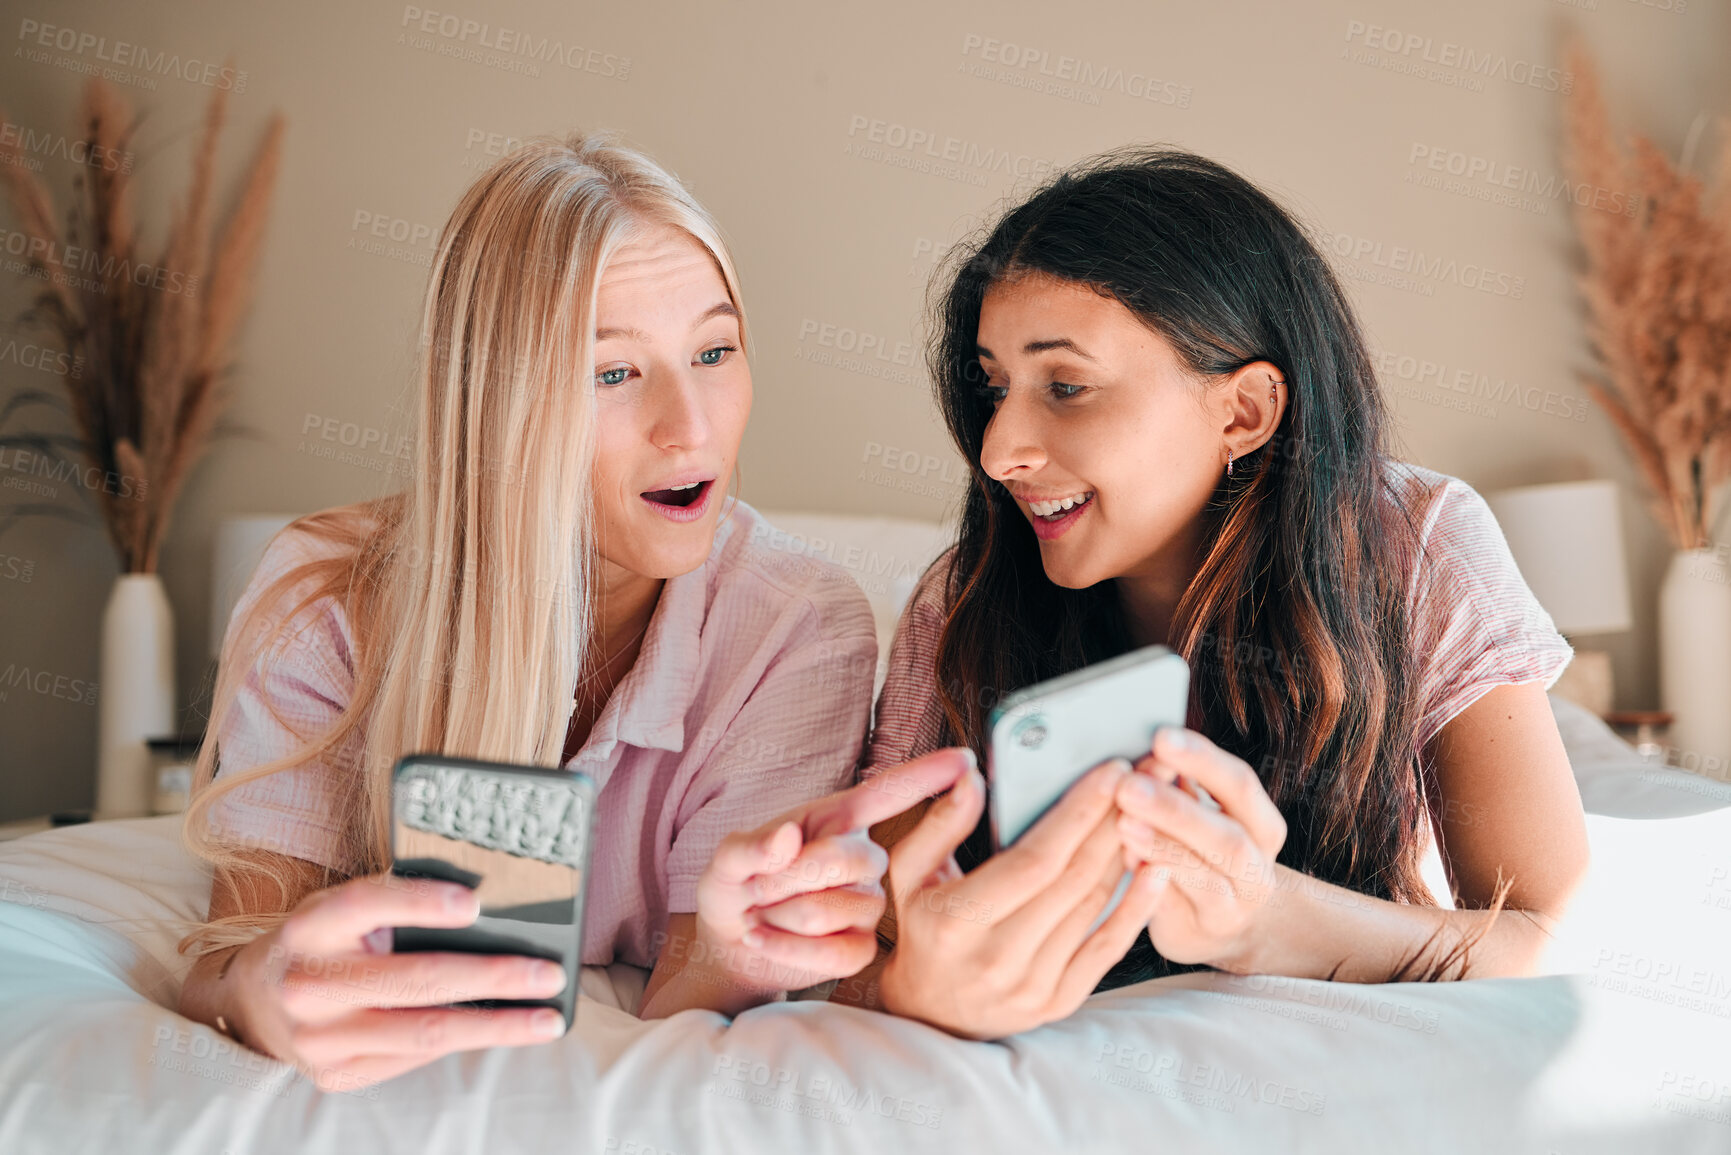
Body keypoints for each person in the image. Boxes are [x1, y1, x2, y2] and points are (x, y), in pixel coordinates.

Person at [174, 133, 953, 1090]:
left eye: (714, 351)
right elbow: (233, 947)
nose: (692, 427)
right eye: (613, 372)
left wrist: (736, 946)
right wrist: (258, 993)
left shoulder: (798, 624)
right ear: (493, 401)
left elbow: (684, 1004)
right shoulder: (325, 594)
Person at [831, 147, 1592, 1040]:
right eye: (994, 388)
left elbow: (1546, 940)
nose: (998, 452)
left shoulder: (1415, 546)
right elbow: (845, 953)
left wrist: (1266, 919)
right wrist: (910, 989)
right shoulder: (966, 597)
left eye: (1065, 386)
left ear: (1243, 413)